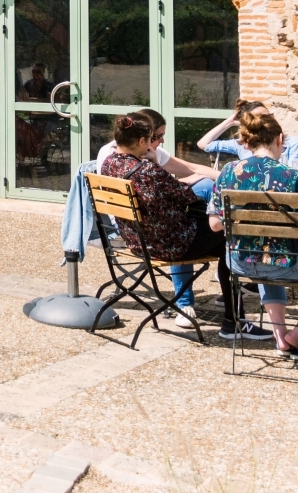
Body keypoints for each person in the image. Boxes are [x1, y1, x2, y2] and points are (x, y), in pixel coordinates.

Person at [206, 108, 298, 360]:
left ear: (247, 141)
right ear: (280, 139)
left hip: (239, 261)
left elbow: (215, 225)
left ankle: (280, 335)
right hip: (283, 264)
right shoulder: (295, 177)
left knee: (262, 256)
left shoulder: (228, 172)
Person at [99, 114, 249, 338]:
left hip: (139, 242)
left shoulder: (108, 164)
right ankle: (233, 322)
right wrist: (163, 168)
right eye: (152, 138)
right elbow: (186, 197)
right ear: (141, 141)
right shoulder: (148, 170)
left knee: (220, 238)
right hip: (170, 244)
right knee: (229, 236)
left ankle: (227, 318)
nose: (154, 143)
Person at [196, 99, 298, 173]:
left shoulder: (291, 142)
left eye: (268, 116)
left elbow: (297, 174)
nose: (266, 121)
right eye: (260, 118)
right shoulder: (241, 143)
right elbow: (203, 144)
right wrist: (230, 122)